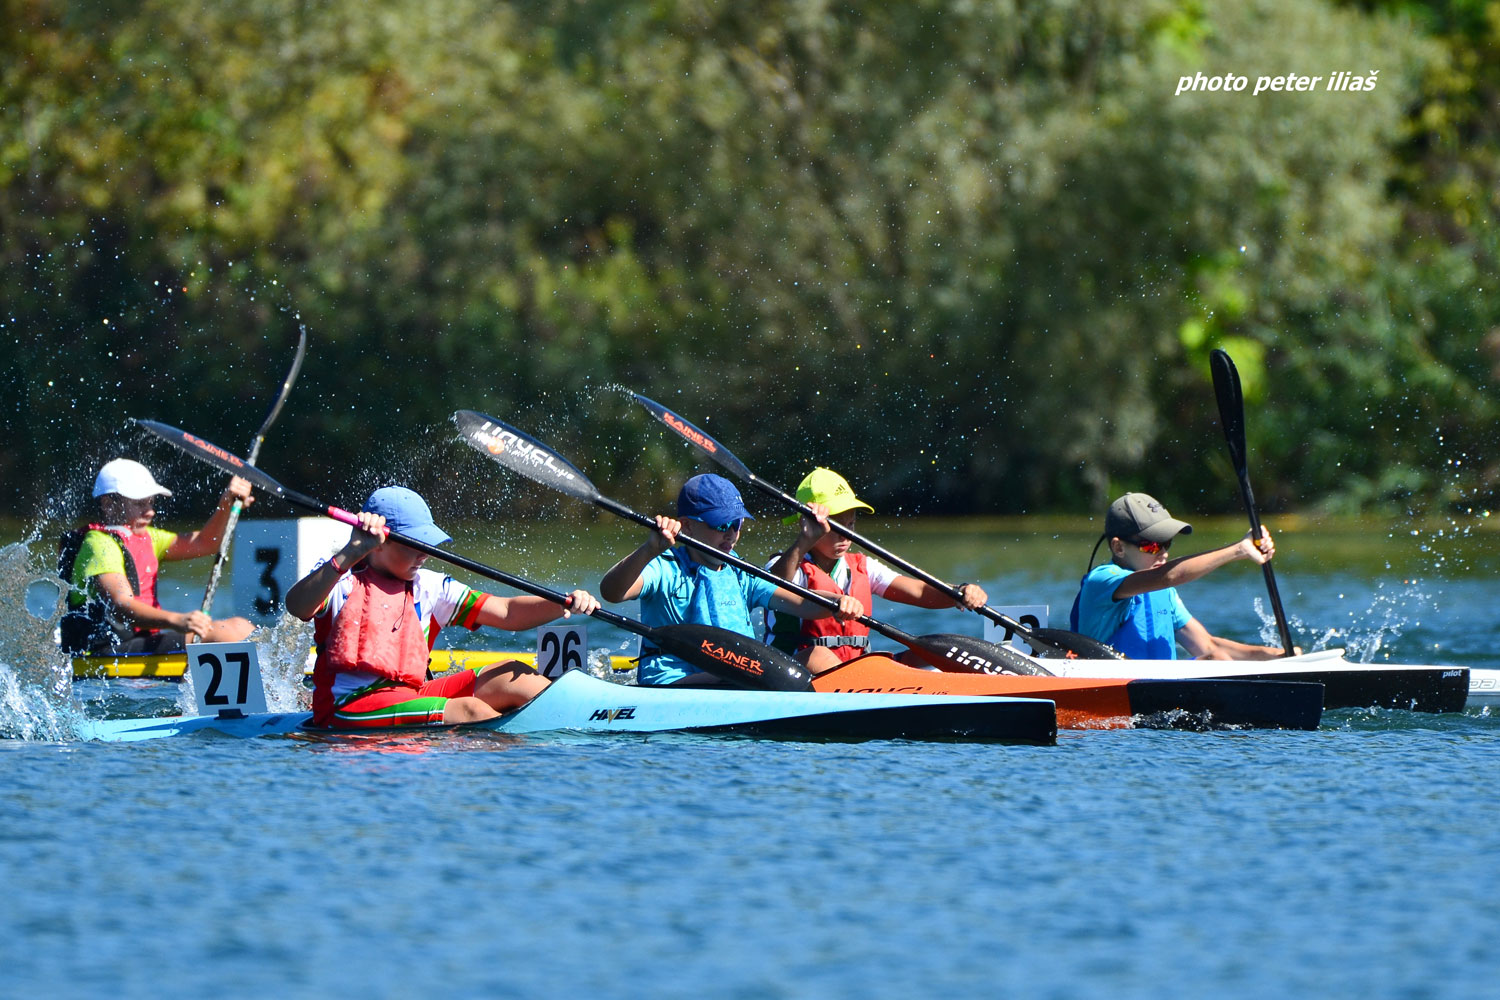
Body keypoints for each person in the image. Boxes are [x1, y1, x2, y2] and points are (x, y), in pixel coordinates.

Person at [284, 486, 600, 729]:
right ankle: (528, 749)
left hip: (411, 695)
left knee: (516, 675)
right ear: (380, 543)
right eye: (416, 544)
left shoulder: (430, 587)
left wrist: (562, 603)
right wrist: (349, 552)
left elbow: (507, 612)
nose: (425, 554)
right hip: (347, 707)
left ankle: (592, 719)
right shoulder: (340, 580)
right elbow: (297, 606)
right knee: (471, 711)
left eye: (428, 543)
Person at [598, 473, 863, 686]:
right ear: (687, 526)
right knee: (735, 674)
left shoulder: (740, 572)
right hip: (676, 681)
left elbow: (802, 603)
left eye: (737, 524)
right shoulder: (666, 569)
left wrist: (838, 601)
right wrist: (649, 549)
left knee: (820, 656)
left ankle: (861, 707)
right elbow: (612, 592)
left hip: (741, 674)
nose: (732, 535)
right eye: (721, 525)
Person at [764, 468, 988, 673]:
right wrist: (804, 540)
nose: (845, 535)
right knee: (819, 655)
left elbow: (919, 591)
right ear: (806, 525)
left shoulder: (864, 567)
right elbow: (776, 586)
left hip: (853, 670)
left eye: (850, 525)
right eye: (835, 526)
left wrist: (959, 592)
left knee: (940, 649)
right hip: (792, 671)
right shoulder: (784, 565)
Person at [59, 458, 257, 655]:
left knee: (241, 626)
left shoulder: (149, 538)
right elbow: (122, 604)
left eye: (151, 502)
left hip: (136, 643)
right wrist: (177, 620)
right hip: (105, 650)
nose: (150, 512)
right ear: (109, 504)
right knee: (228, 633)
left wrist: (226, 505)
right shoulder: (98, 544)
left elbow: (206, 543)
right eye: (139, 504)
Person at [1069, 492, 1295, 660]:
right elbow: (1169, 576)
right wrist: (1239, 549)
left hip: (1156, 697)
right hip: (1113, 690)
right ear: (1118, 548)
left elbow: (1208, 647)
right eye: (1152, 545)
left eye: (1167, 543)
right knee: (1216, 664)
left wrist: (1276, 656)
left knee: (1216, 660)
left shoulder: (1163, 594)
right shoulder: (1101, 581)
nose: (1163, 553)